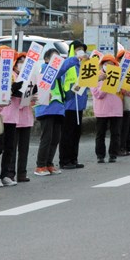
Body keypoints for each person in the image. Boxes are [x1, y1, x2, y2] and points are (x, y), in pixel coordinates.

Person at [34, 48, 84, 176]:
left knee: (55, 138)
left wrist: (74, 89)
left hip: (57, 109)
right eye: (54, 59)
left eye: (58, 59)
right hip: (46, 109)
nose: (57, 62)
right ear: (46, 60)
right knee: (47, 138)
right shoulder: (45, 69)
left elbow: (64, 96)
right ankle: (40, 165)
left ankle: (49, 163)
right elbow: (61, 69)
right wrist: (75, 59)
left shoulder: (59, 77)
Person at [0, 46, 22, 188]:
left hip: (12, 115)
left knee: (9, 147)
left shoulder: (14, 74)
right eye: (4, 57)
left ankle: (5, 175)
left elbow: (19, 95)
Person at [59, 40, 88, 169]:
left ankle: (73, 159)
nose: (80, 51)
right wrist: (75, 58)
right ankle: (64, 160)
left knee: (76, 133)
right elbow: (60, 71)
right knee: (67, 133)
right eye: (78, 49)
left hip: (79, 104)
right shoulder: (68, 62)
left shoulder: (83, 65)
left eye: (82, 49)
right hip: (69, 104)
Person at [9, 52, 37, 182]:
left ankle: (22, 173)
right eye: (19, 61)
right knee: (12, 148)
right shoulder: (12, 77)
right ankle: (10, 173)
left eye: (24, 62)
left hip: (26, 117)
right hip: (14, 118)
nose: (21, 64)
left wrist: (32, 98)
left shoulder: (30, 77)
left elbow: (30, 96)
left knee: (24, 148)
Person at [91, 55, 123, 163]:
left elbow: (126, 91)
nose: (108, 66)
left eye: (111, 64)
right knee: (100, 134)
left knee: (116, 133)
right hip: (102, 110)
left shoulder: (119, 76)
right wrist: (106, 83)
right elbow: (98, 94)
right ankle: (100, 155)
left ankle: (113, 154)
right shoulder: (96, 76)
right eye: (106, 63)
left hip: (116, 109)